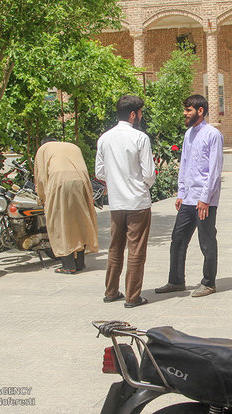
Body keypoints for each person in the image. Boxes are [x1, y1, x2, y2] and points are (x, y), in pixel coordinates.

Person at [155, 94, 224, 297]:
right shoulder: (188, 135)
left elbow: (214, 169)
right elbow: (184, 164)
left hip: (205, 200)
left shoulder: (213, 135)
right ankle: (176, 281)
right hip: (189, 198)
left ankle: (209, 282)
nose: (184, 114)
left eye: (188, 110)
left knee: (206, 241)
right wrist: (181, 192)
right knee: (178, 238)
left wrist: (205, 198)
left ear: (200, 111)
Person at [96, 95, 156, 308]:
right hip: (137, 202)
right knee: (136, 250)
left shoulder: (105, 138)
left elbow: (100, 171)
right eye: (140, 113)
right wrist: (142, 186)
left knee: (115, 247)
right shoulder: (140, 138)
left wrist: (116, 182)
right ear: (133, 114)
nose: (140, 116)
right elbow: (149, 173)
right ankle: (133, 296)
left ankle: (111, 291)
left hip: (117, 202)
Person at [34, 137, 99, 274]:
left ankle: (68, 265)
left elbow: (41, 177)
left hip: (59, 182)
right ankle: (80, 263)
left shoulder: (43, 149)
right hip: (81, 182)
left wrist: (42, 198)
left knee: (60, 222)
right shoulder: (72, 146)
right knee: (80, 222)